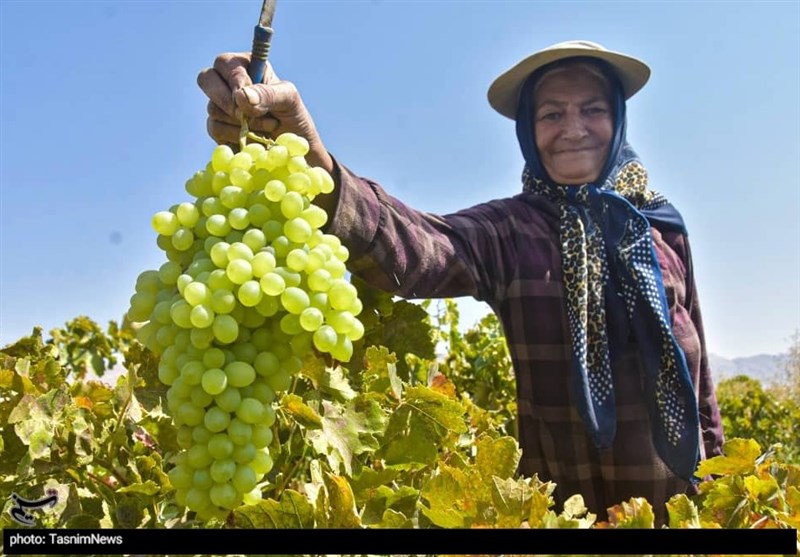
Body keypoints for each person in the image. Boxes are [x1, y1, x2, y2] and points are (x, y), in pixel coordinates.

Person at [198, 40, 724, 523]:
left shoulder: (661, 229)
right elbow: (415, 245)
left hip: (677, 515)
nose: (573, 128)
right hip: (563, 515)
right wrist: (312, 157)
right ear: (527, 130)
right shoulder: (511, 230)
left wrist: (722, 489)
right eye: (551, 113)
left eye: (593, 109)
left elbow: (699, 391)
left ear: (619, 118)